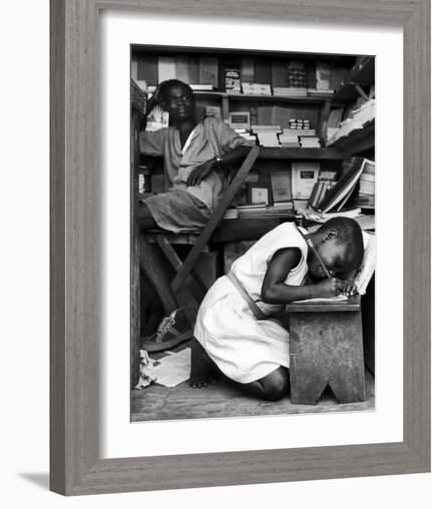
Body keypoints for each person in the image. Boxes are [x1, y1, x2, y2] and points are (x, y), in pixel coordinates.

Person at [190, 217, 365, 401]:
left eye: (337, 273)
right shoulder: (293, 247)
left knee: (303, 364)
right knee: (276, 386)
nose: (331, 272)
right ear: (329, 236)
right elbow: (270, 292)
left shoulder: (305, 251)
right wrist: (316, 290)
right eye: (335, 263)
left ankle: (218, 353)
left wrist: (342, 286)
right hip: (225, 314)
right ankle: (208, 356)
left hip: (249, 319)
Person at [138, 79, 250, 352]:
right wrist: (146, 109)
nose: (182, 103)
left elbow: (247, 149)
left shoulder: (212, 127)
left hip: (198, 205)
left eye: (186, 97)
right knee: (130, 223)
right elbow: (133, 141)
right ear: (165, 108)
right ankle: (171, 313)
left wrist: (215, 161)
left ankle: (173, 313)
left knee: (128, 218)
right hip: (175, 203)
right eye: (174, 100)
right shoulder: (167, 136)